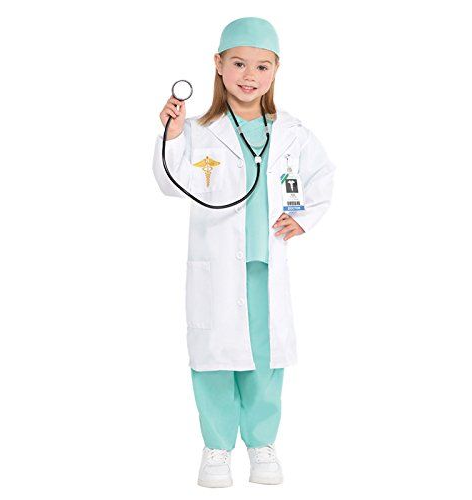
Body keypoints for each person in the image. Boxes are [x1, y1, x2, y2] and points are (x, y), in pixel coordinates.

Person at [152, 17, 336, 487]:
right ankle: (216, 448)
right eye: (238, 64)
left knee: (265, 360)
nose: (249, 75)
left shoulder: (291, 131)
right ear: (218, 64)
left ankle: (261, 445)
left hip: (266, 261)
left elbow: (322, 176)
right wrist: (172, 133)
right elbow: (171, 183)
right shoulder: (199, 130)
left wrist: (305, 216)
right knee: (214, 357)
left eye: (261, 66)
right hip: (216, 265)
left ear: (276, 70)